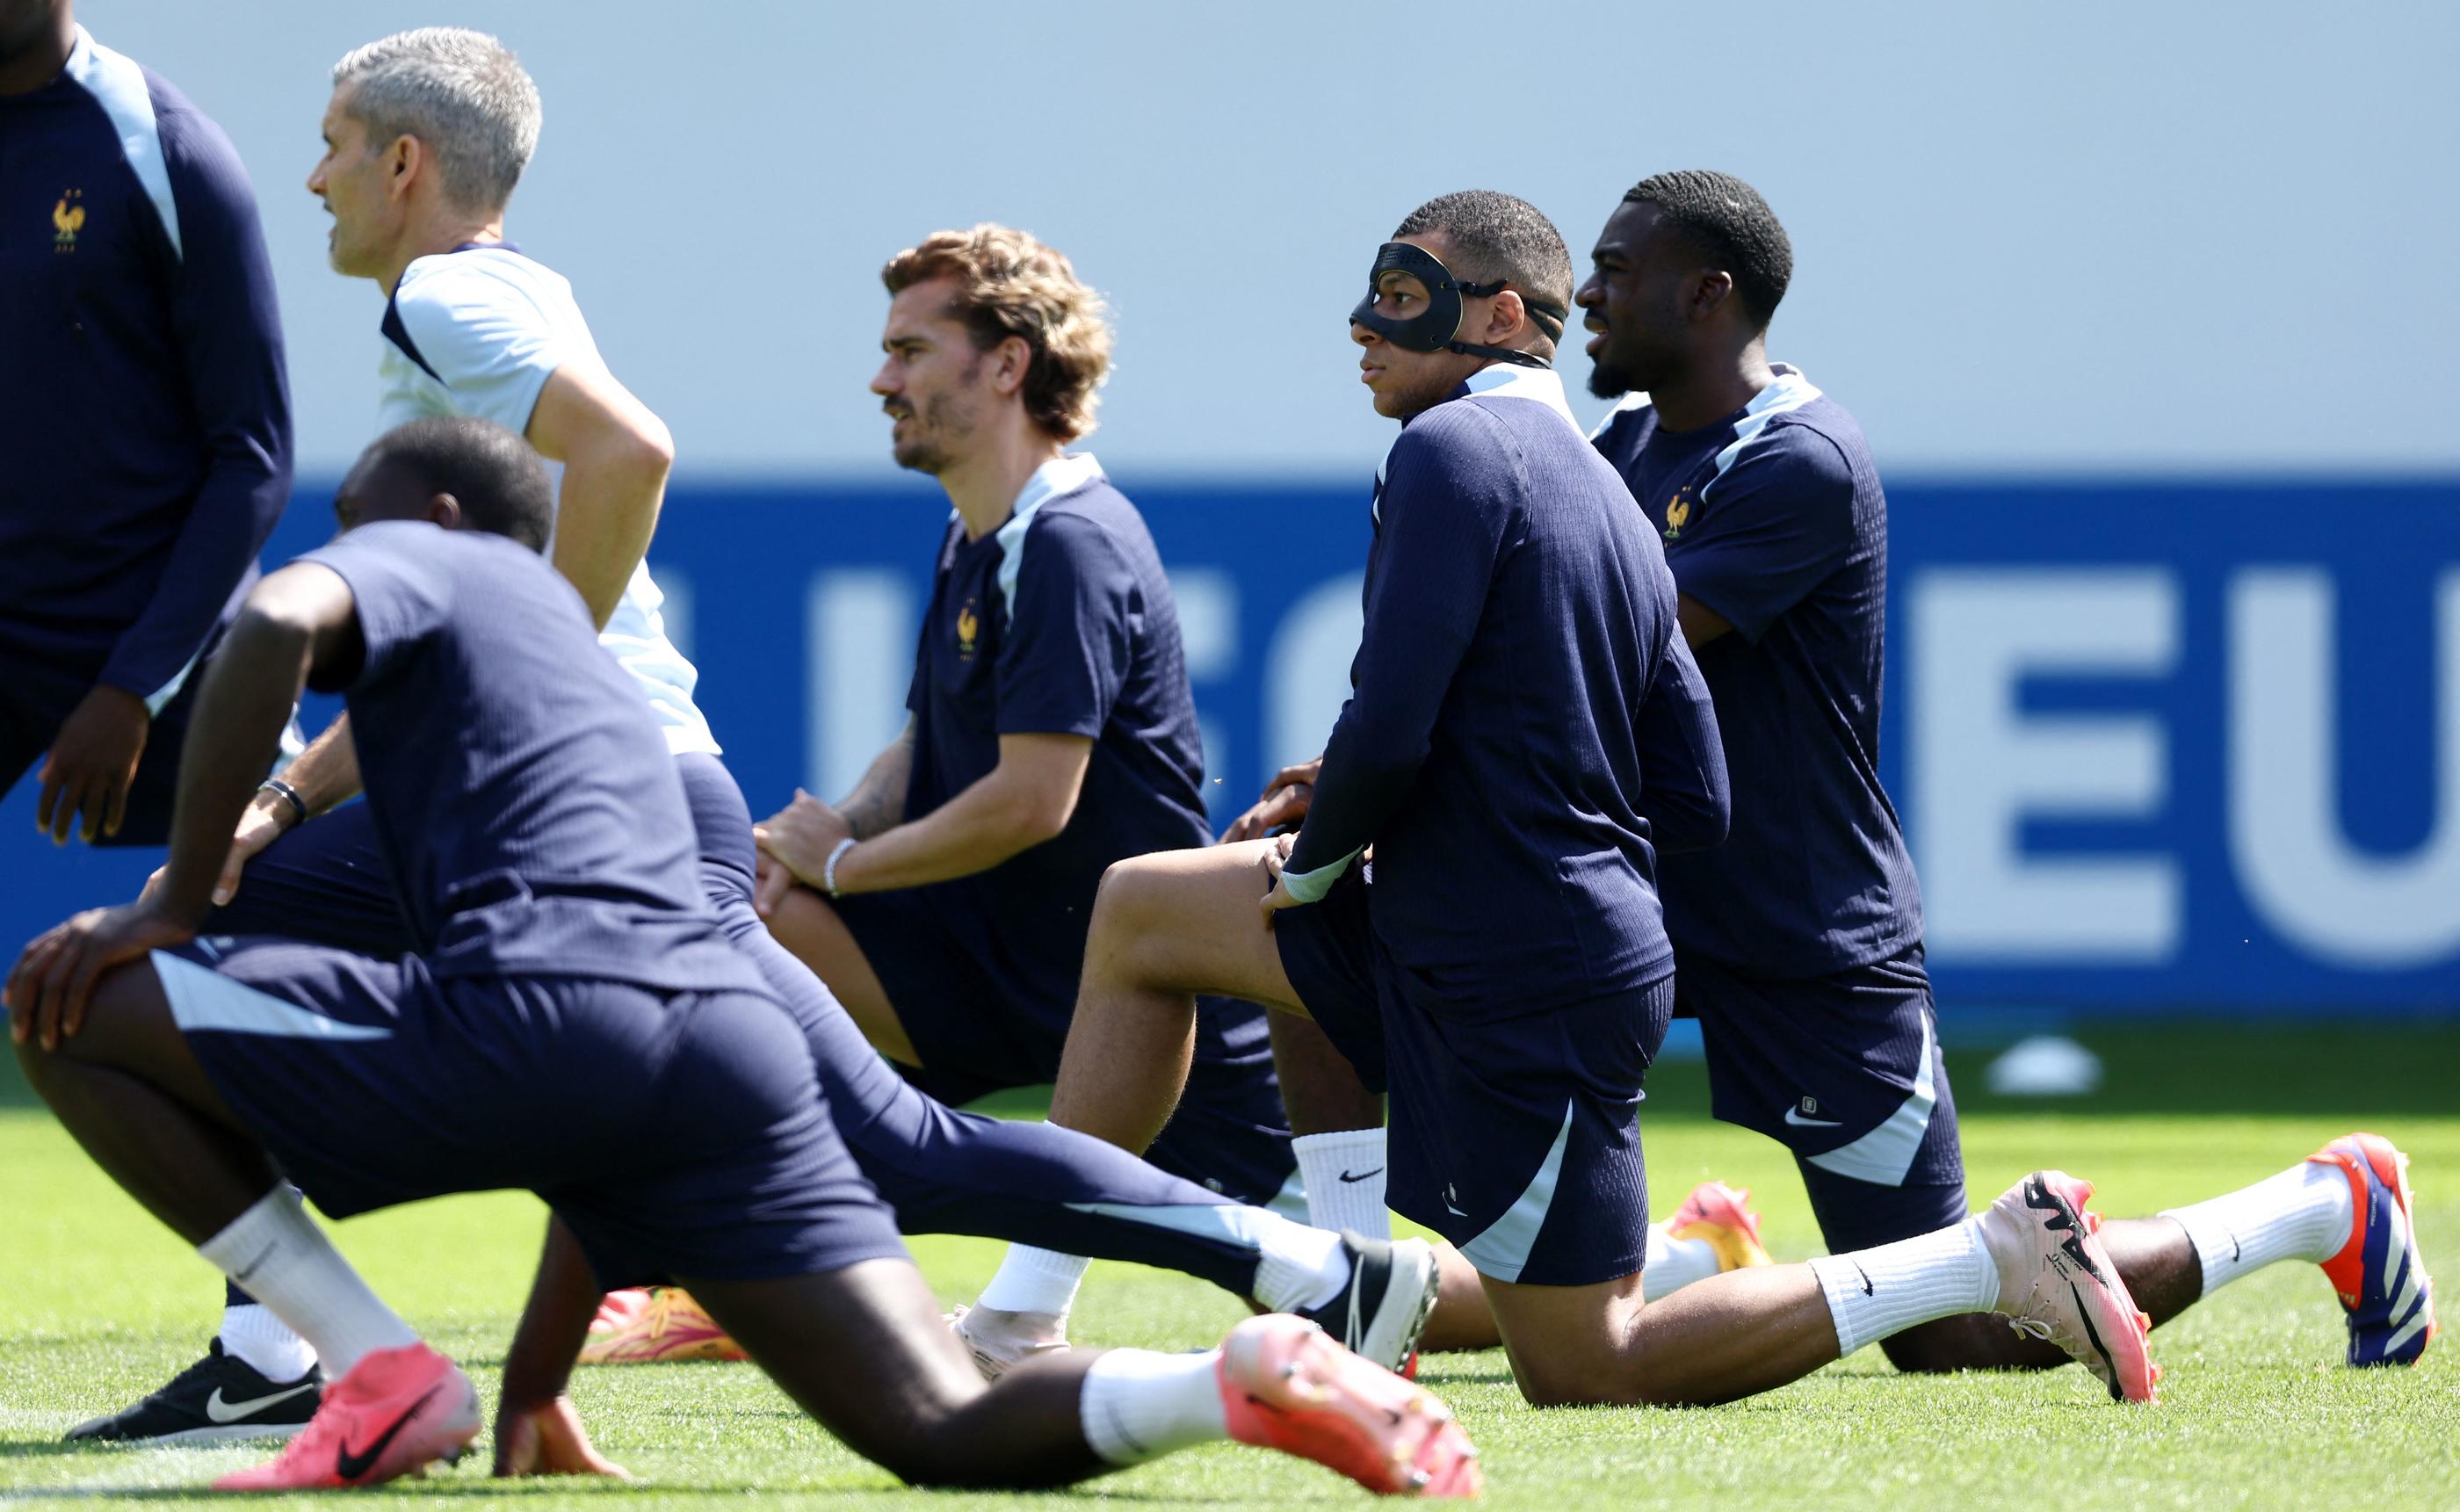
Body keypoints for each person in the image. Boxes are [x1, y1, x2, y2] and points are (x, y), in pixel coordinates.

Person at [62, 33, 1437, 1446]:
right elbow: (445, 626)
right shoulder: (516, 288)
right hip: (652, 798)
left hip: (611, 806)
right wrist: (297, 795)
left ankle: (301, 1346)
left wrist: (480, 674)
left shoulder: (444, 293)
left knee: (113, 980)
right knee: (876, 1156)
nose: (315, 174)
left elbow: (626, 457)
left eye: (337, 142)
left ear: (405, 163)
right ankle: (1318, 1268)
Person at [5, 419, 1481, 1496]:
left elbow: (272, 614)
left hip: (548, 1014)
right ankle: (1229, 1384)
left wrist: (179, 902)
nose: (349, 531)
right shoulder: (572, 666)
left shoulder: (435, 549)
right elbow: (601, 1119)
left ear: (436, 514)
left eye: (363, 512)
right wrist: (529, 1387)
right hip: (715, 1039)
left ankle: (370, 1363)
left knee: (67, 998)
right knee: (939, 1423)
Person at [967, 189, 2165, 1408]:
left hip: (1552, 955)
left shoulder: (1452, 448)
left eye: (1398, 299)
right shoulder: (1608, 484)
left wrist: (1341, 866)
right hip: (1528, 926)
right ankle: (1239, 1302)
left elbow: (1389, 719)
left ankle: (1988, 1255)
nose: (1361, 327)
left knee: (1594, 1362)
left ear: (1493, 314)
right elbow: (1691, 783)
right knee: (1148, 915)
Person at [1573, 169, 2431, 1372]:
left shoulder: (1797, 460)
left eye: (1616, 268)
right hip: (1642, 904)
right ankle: (1417, 1281)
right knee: (1350, 972)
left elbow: (1597, 646)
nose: (1583, 291)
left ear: (1707, 294)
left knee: (1958, 1338)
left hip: (1802, 929)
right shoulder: (1617, 447)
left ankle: (2321, 1204)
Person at [751, 225, 1303, 1366]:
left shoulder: (1068, 541)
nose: (880, 379)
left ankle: (1681, 1262)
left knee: (1373, 1295)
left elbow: (1032, 802)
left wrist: (845, 867)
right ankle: (740, 1257)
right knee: (738, 910)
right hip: (1003, 963)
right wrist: (823, 834)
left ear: (1007, 364)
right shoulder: (980, 532)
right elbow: (921, 743)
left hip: (1130, 1004)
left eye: (910, 350)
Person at [1, 0, 290, 851]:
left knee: (265, 942)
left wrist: (133, 687)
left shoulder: (166, 146)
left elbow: (255, 455)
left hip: (166, 648)